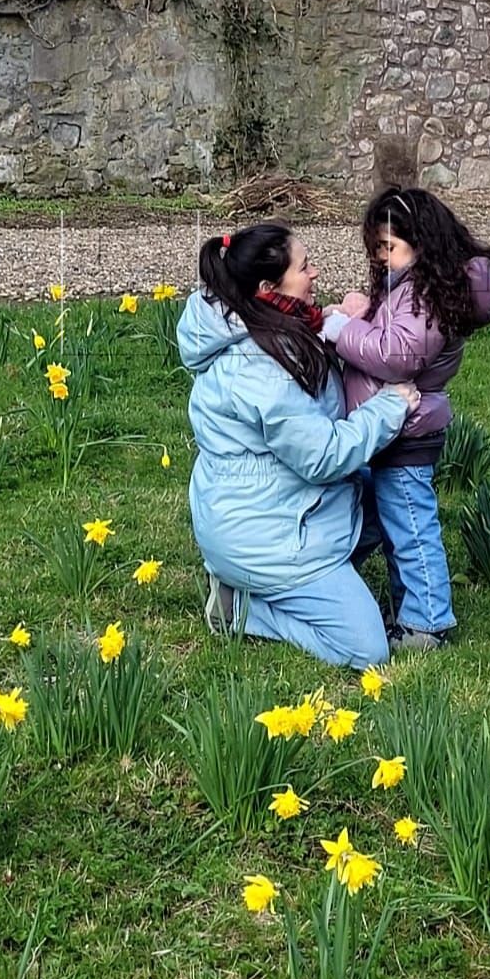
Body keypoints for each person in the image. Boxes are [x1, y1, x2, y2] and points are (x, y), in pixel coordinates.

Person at [178, 223, 420, 669]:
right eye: (305, 267)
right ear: (269, 287)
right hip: (263, 536)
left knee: (390, 495)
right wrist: (389, 408)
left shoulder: (264, 325)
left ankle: (299, 587)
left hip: (271, 509)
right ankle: (244, 610)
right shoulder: (258, 368)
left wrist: (350, 323)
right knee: (367, 649)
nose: (315, 273)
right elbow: (322, 456)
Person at [324, 187, 490, 652]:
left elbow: (398, 356)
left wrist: (343, 330)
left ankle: (427, 622)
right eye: (376, 248)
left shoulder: (425, 295)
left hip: (406, 434)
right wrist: (361, 315)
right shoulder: (416, 288)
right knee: (388, 521)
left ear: (421, 241)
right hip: (392, 428)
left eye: (388, 247)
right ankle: (396, 607)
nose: (381, 258)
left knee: (411, 527)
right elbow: (392, 337)